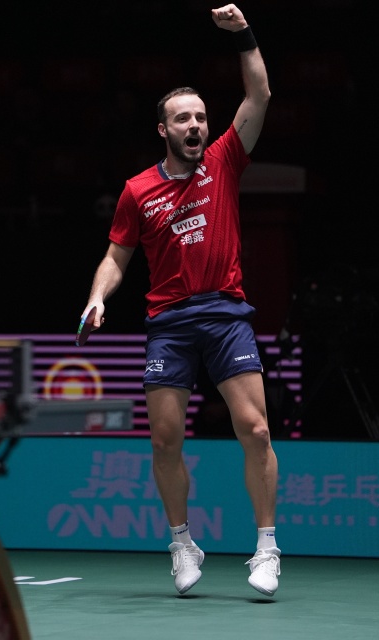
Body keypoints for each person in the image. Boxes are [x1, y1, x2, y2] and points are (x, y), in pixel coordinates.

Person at [78, 4, 280, 597]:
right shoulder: (137, 191)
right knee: (165, 441)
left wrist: (243, 35)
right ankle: (182, 543)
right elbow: (116, 256)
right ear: (163, 130)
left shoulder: (224, 159)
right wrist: (96, 298)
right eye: (182, 118)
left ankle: (267, 548)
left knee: (257, 430)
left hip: (226, 314)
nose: (195, 125)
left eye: (200, 117)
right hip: (169, 322)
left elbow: (260, 94)